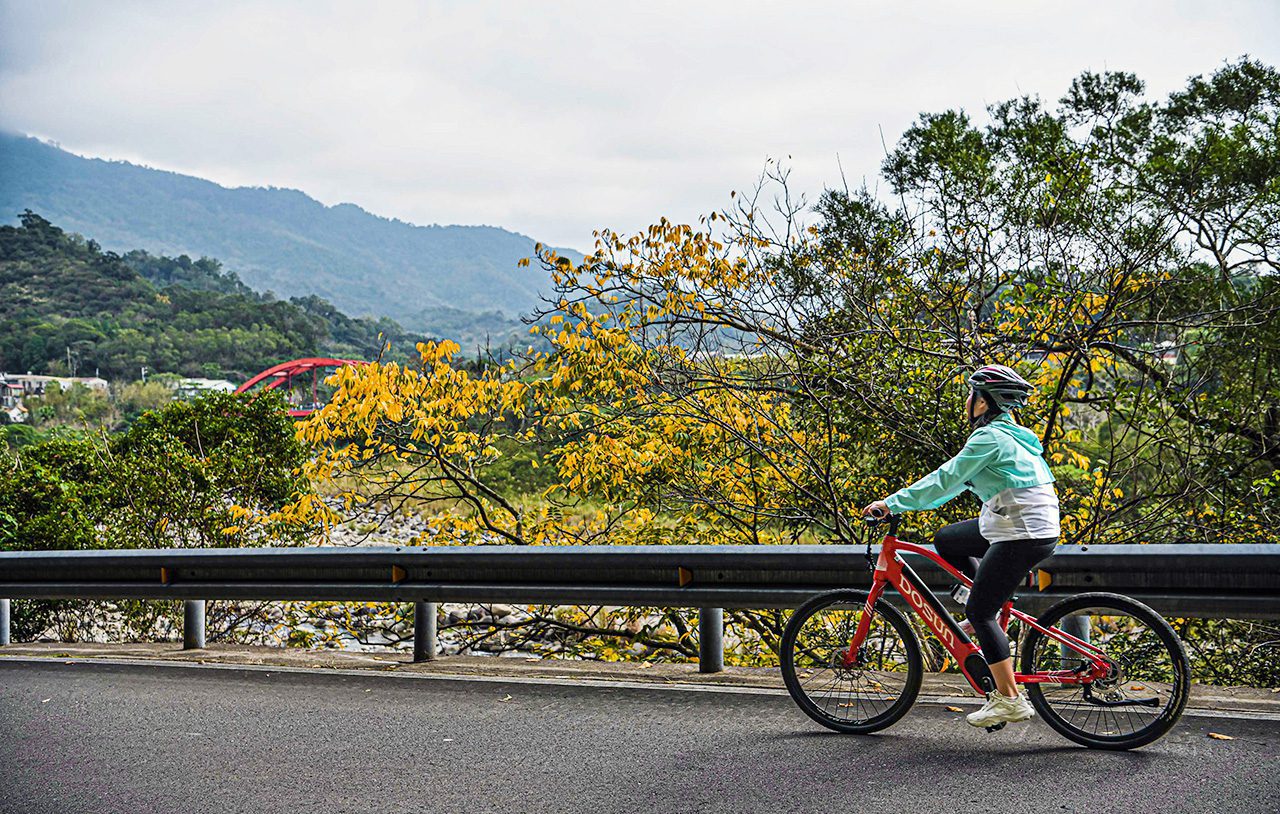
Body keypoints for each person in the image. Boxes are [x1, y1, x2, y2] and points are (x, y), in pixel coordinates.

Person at [862, 364, 1059, 729]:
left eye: (972, 395)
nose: (967, 401)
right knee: (947, 540)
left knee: (984, 613)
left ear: (983, 403)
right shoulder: (1012, 434)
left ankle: (1009, 700)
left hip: (1021, 531)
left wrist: (890, 504)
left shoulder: (988, 439)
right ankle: (977, 598)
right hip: (1019, 523)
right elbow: (956, 484)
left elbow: (943, 480)